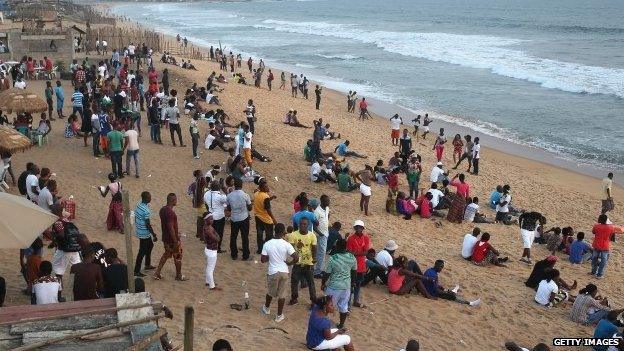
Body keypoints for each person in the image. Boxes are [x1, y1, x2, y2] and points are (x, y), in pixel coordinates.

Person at [261, 223, 298, 322]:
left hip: (273, 271)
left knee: (270, 292)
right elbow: (296, 257)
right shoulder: (286, 244)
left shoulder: (267, 244)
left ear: (274, 231)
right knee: (282, 295)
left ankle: (267, 308)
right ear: (283, 232)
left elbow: (263, 260)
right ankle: (279, 315)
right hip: (284, 271)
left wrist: (271, 257)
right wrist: (289, 263)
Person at [321, 238, 355, 329]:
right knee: (344, 306)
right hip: (346, 287)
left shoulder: (333, 258)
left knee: (327, 305)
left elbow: (327, 273)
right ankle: (341, 324)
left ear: (338, 246)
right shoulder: (352, 257)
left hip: (334, 287)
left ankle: (324, 324)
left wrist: (323, 283)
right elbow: (354, 271)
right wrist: (352, 284)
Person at [154, 193, 187, 281]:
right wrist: (176, 241)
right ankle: (178, 275)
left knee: (166, 254)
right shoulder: (170, 213)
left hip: (165, 238)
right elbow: (170, 228)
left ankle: (157, 272)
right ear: (173, 201)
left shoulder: (162, 210)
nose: (176, 201)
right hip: (172, 240)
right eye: (176, 200)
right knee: (178, 257)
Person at [287, 217, 317, 305]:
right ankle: (294, 298)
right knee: (294, 282)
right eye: (301, 224)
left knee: (311, 283)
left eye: (305, 224)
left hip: (309, 264)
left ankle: (313, 301)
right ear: (298, 225)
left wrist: (314, 258)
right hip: (297, 263)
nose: (302, 226)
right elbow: (290, 249)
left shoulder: (312, 235)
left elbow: (314, 248)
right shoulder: (293, 235)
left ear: (308, 225)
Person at [591, 214, 623, 278]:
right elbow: (615, 234)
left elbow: (593, 232)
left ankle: (593, 271)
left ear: (599, 219)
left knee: (594, 259)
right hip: (605, 246)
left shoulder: (596, 226)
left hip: (596, 245)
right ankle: (599, 274)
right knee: (603, 260)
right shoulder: (610, 227)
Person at [346, 220, 370, 308]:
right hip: (352, 266)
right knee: (351, 285)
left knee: (358, 284)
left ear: (363, 228)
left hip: (361, 266)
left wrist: (355, 253)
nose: (359, 229)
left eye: (360, 227)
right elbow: (350, 252)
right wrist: (361, 252)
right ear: (355, 228)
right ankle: (348, 303)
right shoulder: (351, 238)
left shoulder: (366, 238)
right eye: (357, 227)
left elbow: (366, 252)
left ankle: (355, 301)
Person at [227, 178, 252, 260]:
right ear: (241, 185)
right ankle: (245, 255)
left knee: (233, 236)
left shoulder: (229, 196)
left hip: (234, 218)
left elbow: (229, 208)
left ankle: (234, 254)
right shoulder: (245, 195)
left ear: (234, 185)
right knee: (245, 237)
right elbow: (250, 208)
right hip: (244, 218)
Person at [134, 191, 158, 277]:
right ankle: (136, 271)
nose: (151, 198)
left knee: (150, 245)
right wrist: (154, 234)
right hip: (144, 232)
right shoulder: (146, 210)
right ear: (146, 198)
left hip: (140, 230)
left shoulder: (139, 205)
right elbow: (147, 224)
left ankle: (147, 265)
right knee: (142, 252)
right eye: (149, 197)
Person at [253, 178, 277, 254]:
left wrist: (271, 198)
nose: (268, 187)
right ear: (262, 188)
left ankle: (260, 249)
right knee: (269, 235)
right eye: (266, 187)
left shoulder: (256, 194)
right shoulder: (265, 197)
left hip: (258, 217)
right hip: (266, 219)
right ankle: (267, 249)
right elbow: (268, 209)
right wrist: (273, 219)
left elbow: (262, 201)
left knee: (259, 234)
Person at [204, 180, 228, 252]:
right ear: (219, 187)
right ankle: (218, 248)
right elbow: (228, 197)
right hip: (219, 217)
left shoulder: (207, 194)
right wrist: (224, 188)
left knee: (211, 231)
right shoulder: (220, 197)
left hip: (210, 216)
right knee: (219, 233)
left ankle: (211, 245)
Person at [203, 213, 221, 291]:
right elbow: (217, 239)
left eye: (212, 219)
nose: (212, 220)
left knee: (209, 266)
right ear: (206, 220)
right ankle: (212, 286)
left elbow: (217, 237)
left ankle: (208, 281)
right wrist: (217, 236)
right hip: (211, 251)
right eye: (210, 219)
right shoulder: (208, 230)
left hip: (209, 249)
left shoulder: (208, 227)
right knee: (210, 268)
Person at [314, 195, 331, 277]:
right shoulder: (317, 212)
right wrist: (321, 234)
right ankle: (318, 271)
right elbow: (314, 226)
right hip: (321, 235)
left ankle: (318, 269)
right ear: (322, 201)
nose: (329, 202)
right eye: (327, 201)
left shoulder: (327, 208)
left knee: (320, 253)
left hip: (325, 233)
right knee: (321, 253)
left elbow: (328, 216)